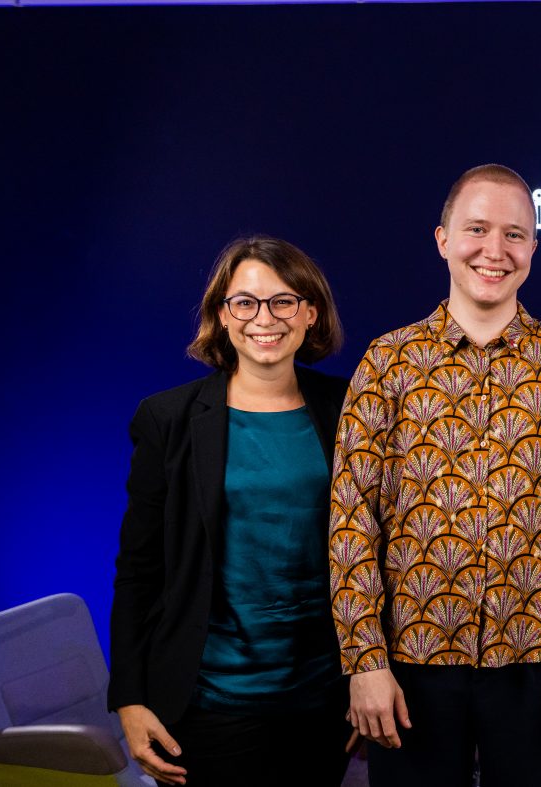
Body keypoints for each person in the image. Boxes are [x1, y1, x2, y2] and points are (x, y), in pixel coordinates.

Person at [328, 164, 541, 787]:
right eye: (476, 229)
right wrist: (364, 662)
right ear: (442, 240)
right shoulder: (389, 363)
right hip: (410, 664)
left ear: (534, 250)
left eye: (514, 234)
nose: (495, 251)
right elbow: (351, 519)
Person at [109, 236, 352, 786]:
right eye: (244, 302)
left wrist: (374, 677)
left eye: (283, 301)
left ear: (310, 313)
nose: (263, 318)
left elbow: (381, 552)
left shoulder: (352, 407)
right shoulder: (167, 418)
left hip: (324, 695)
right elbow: (138, 570)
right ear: (222, 315)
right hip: (210, 701)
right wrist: (129, 699)